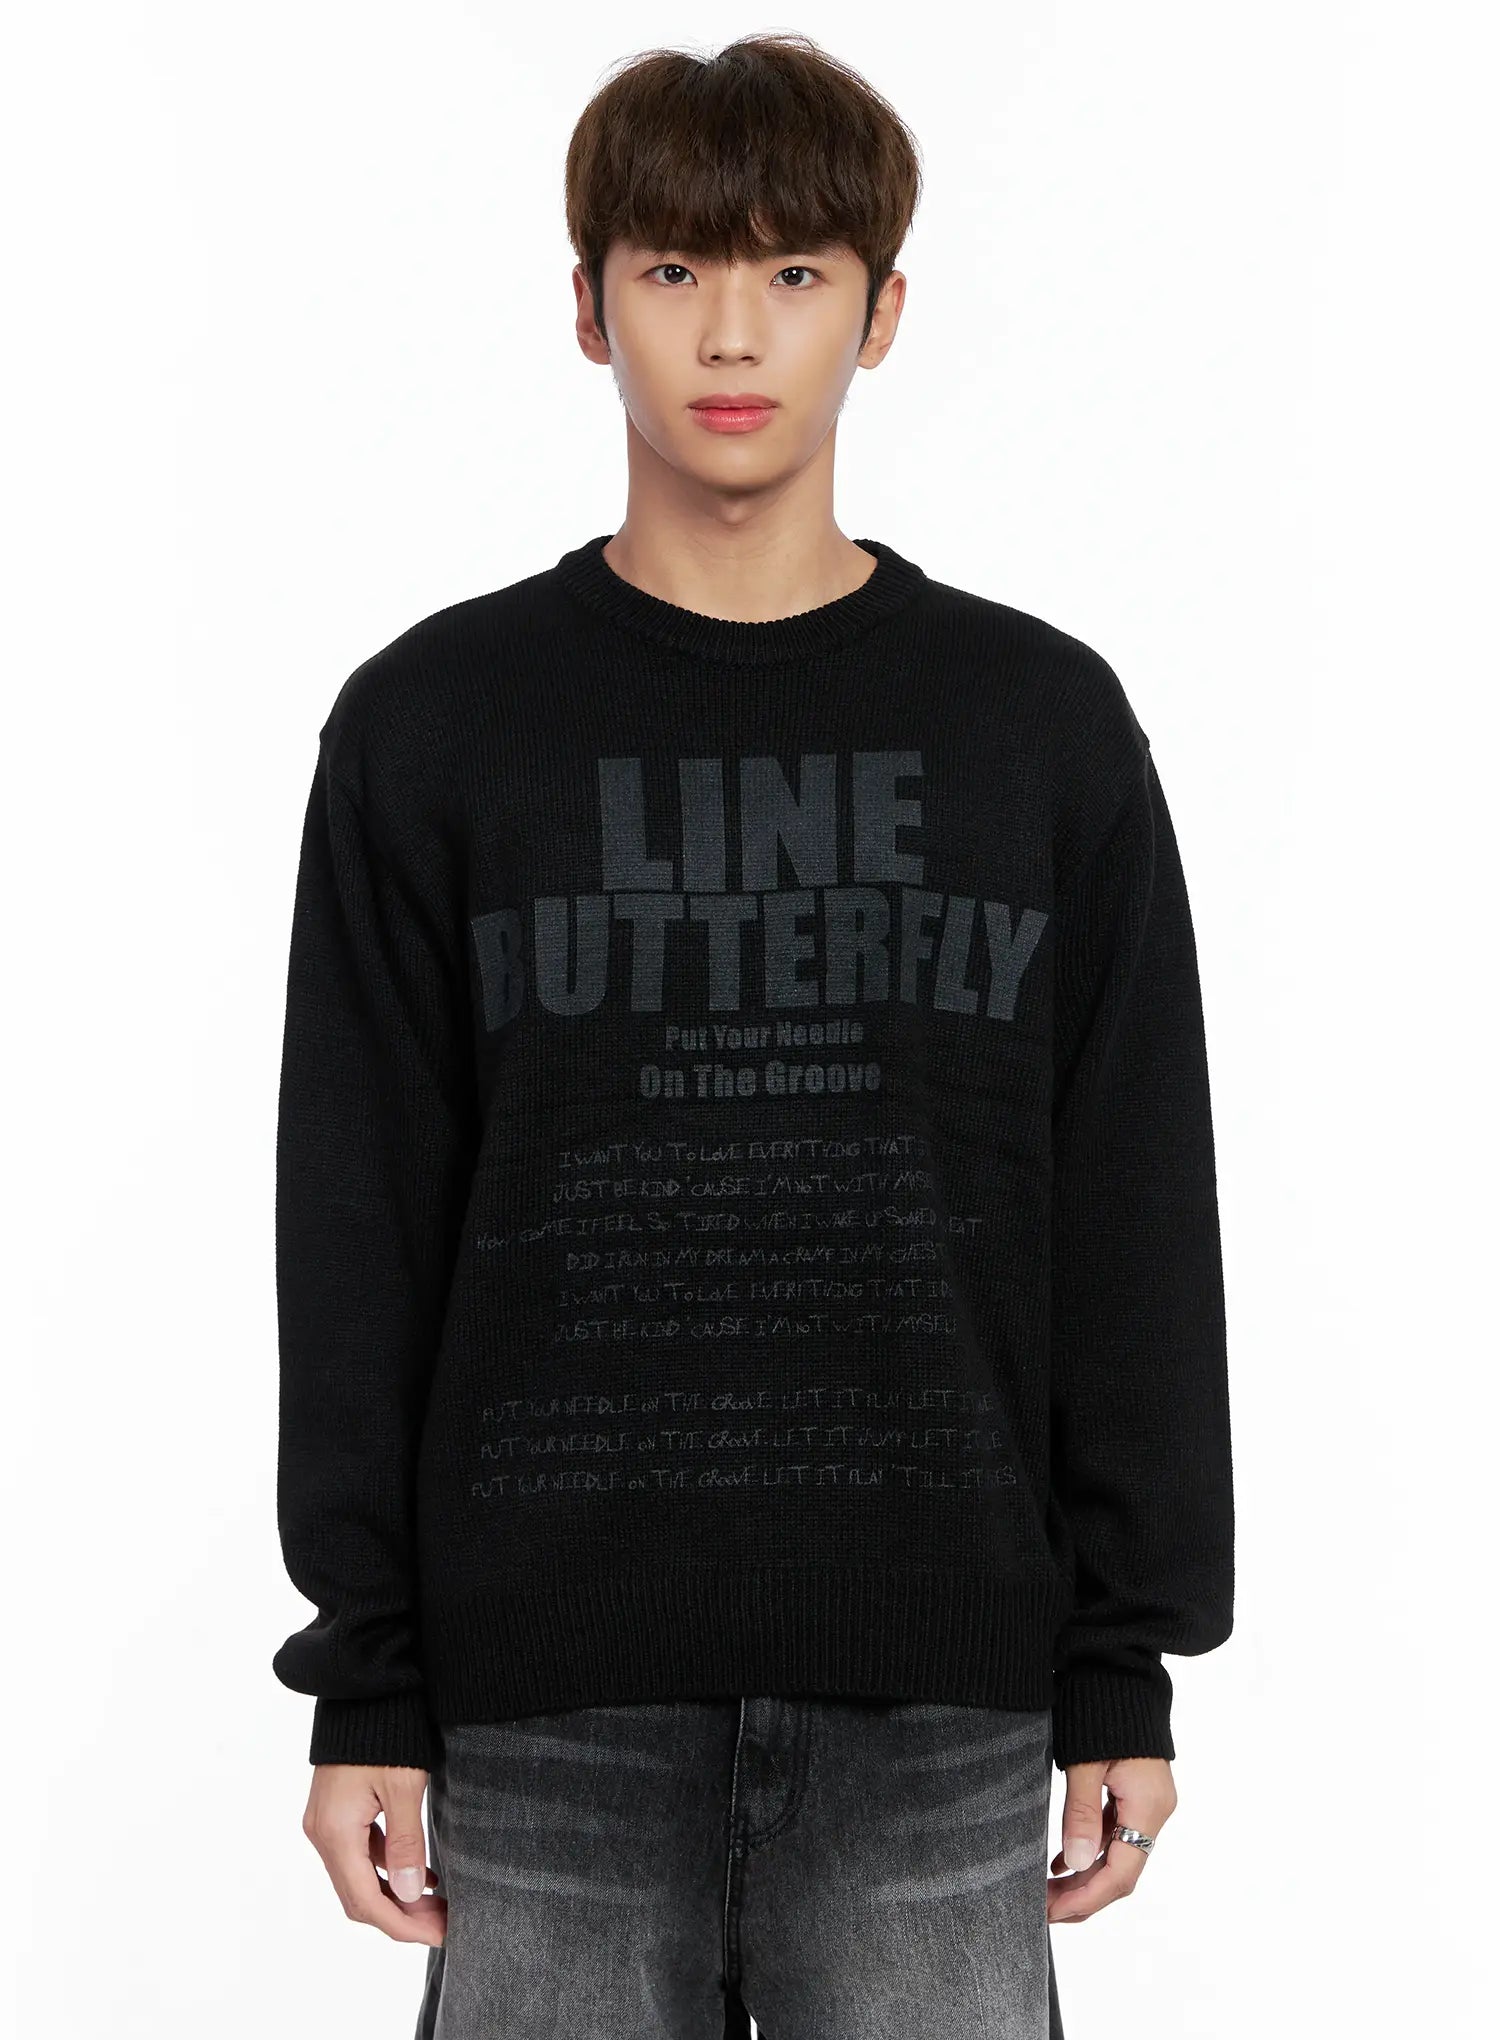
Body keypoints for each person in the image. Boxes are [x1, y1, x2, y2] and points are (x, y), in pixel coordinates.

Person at [271, 30, 1234, 2040]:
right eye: (674, 268)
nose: (731, 331)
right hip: (541, 1709)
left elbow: (1131, 1197)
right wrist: (366, 1676)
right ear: (588, 305)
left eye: (795, 272)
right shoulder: (434, 726)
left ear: (883, 315)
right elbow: (361, 1217)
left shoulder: (1037, 727)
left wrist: (1124, 1658)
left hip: (939, 1707)